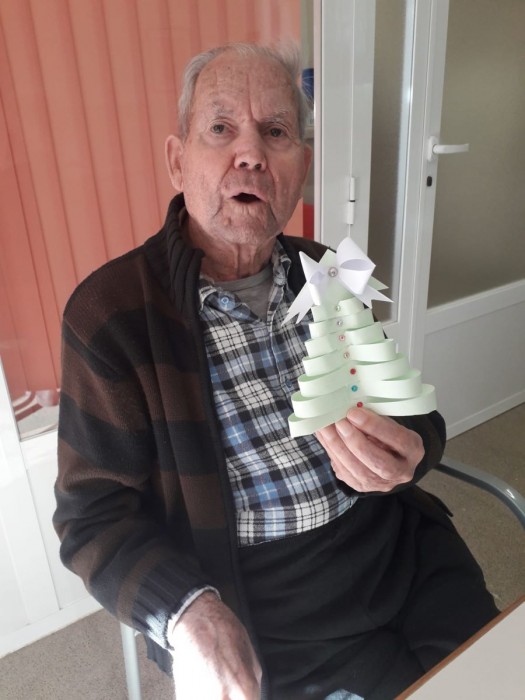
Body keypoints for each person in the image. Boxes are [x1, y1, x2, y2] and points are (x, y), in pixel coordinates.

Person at [54, 42, 498, 700]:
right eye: (220, 127)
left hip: (401, 552)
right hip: (263, 609)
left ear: (301, 168)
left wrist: (414, 448)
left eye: (276, 132)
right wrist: (188, 614)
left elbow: (410, 408)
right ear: (177, 160)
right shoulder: (111, 315)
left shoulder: (329, 271)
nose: (251, 154)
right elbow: (92, 519)